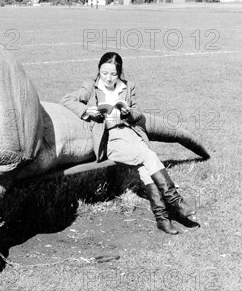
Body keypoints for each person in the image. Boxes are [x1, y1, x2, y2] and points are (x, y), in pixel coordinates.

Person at [60, 52, 196, 234]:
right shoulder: (90, 87)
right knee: (148, 155)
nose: (108, 78)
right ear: (99, 71)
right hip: (111, 139)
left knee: (146, 169)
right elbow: (67, 100)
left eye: (113, 74)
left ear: (119, 73)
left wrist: (128, 113)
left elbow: (138, 111)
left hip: (131, 134)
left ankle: (162, 219)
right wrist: (88, 111)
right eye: (104, 73)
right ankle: (175, 200)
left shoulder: (127, 87)